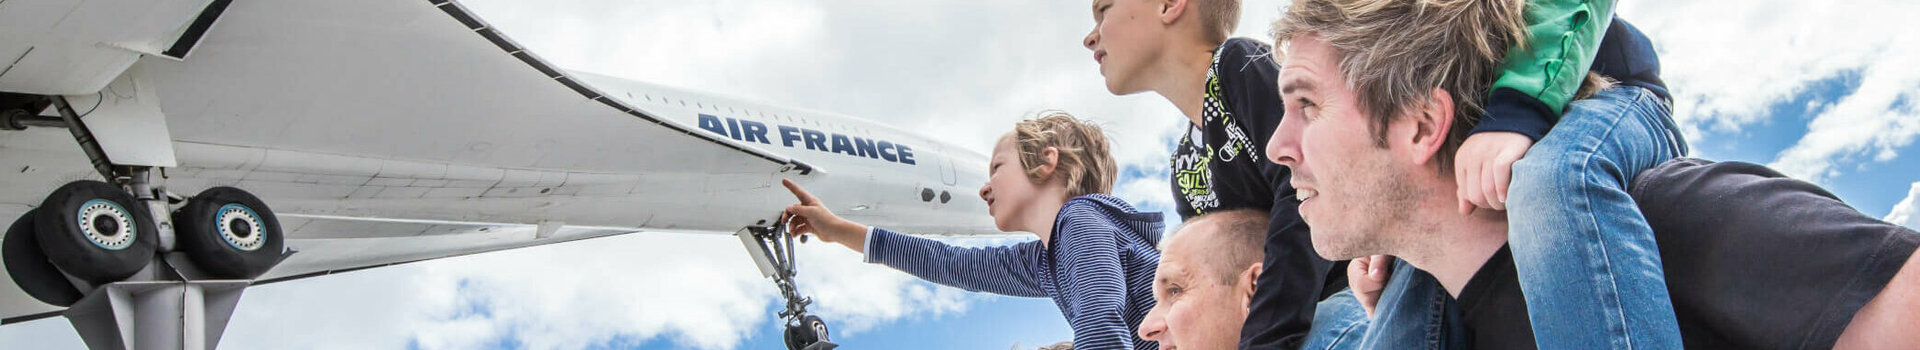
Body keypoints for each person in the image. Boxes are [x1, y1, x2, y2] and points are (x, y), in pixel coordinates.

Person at [1263, 0, 1920, 347]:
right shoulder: (1431, 316)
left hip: (1610, 100)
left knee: (1558, 181)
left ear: (1422, 124)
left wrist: (1516, 114)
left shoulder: (1671, 221)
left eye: (1305, 103)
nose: (1275, 147)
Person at [782, 112, 1164, 349]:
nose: (984, 187)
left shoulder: (1081, 221)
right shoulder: (1045, 261)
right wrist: (838, 230)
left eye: (997, 168)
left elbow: (1100, 317)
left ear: (1047, 161)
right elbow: (949, 263)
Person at [1080, 1, 1342, 346]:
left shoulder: (1239, 63)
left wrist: (1266, 339)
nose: (1090, 37)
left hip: (1347, 297)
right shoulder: (1185, 166)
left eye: (1104, 10)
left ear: (1169, 5)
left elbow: (1305, 188)